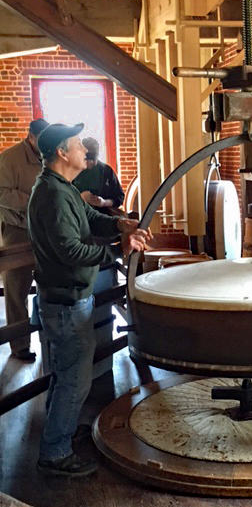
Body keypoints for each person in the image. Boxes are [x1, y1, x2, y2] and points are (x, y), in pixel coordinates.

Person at [28, 122, 150, 478]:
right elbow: (70, 249)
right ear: (62, 153)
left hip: (66, 298)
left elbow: (88, 217)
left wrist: (120, 225)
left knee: (64, 373)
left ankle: (59, 429)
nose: (85, 150)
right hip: (66, 301)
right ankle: (54, 453)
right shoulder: (52, 194)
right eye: (79, 144)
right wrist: (117, 249)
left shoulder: (60, 187)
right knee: (74, 380)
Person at [0, 118, 49, 361]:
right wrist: (33, 201)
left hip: (43, 231)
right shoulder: (9, 159)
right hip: (17, 231)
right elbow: (1, 193)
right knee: (17, 291)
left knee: (49, 285)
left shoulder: (48, 155)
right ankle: (19, 346)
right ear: (31, 137)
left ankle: (48, 340)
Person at [73, 137, 124, 213]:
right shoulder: (73, 170)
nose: (90, 162)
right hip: (79, 215)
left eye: (93, 159)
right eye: (88, 158)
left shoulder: (106, 171)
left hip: (103, 215)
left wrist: (103, 203)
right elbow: (63, 198)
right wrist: (80, 197)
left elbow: (119, 198)